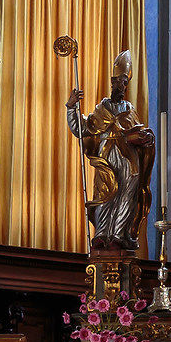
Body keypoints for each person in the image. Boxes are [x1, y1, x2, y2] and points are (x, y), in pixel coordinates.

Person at [68, 52, 155, 250]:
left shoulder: (129, 110)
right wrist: (71, 107)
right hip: (107, 157)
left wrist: (146, 137)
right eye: (117, 82)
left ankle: (118, 235)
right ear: (112, 82)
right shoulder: (101, 110)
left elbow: (138, 131)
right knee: (106, 193)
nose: (121, 87)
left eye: (124, 83)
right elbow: (81, 128)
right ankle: (102, 234)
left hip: (130, 160)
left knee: (127, 196)